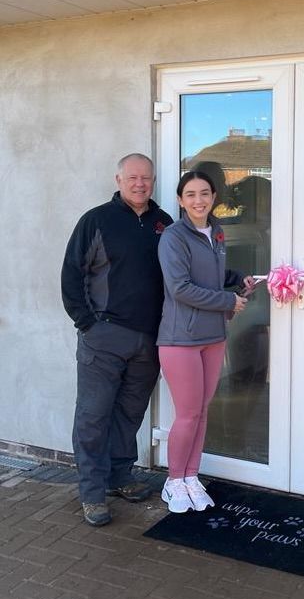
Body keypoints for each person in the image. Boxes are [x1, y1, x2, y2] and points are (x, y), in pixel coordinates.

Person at [61, 153, 173, 527]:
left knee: (129, 413)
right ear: (119, 179)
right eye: (133, 177)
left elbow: (184, 271)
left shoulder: (163, 224)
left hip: (149, 339)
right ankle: (92, 493)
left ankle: (120, 477)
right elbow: (71, 276)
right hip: (104, 339)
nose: (140, 184)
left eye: (146, 178)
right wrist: (87, 324)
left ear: (153, 182)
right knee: (93, 416)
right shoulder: (96, 220)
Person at [157, 171, 254, 513]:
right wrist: (228, 301)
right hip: (180, 339)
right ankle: (173, 481)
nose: (199, 200)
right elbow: (180, 288)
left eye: (205, 194)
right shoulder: (173, 237)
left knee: (201, 412)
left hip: (213, 336)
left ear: (214, 197)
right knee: (187, 414)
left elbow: (209, 274)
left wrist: (235, 279)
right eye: (191, 194)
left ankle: (191, 477)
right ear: (181, 200)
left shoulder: (217, 232)